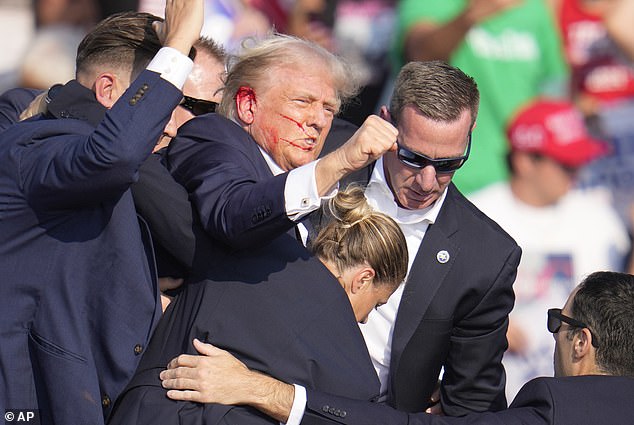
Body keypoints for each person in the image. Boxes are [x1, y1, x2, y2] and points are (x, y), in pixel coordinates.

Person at [166, 60, 522, 416]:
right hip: (230, 387)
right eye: (413, 158)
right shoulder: (316, 147)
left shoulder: (485, 256)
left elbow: (472, 404)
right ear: (385, 122)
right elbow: (228, 195)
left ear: (471, 133)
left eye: (448, 164)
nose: (428, 181)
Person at [0, 2, 203, 424]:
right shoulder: (37, 143)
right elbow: (111, 155)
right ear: (110, 91)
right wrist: (178, 44)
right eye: (166, 105)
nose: (170, 124)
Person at [161, 270, 634, 425]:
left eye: (559, 321)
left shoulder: (557, 408)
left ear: (582, 342)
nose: (552, 333)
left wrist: (263, 390)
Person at [107, 185, 408, 425]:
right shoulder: (356, 379)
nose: (367, 318)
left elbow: (153, 191)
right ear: (363, 278)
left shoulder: (252, 244)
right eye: (377, 303)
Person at [165, 32, 398, 254]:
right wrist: (341, 161)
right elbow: (234, 215)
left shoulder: (318, 187)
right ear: (248, 105)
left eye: (329, 109)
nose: (319, 120)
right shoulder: (212, 137)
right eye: (302, 101)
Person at [469, 97, 630, 399]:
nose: (577, 174)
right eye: (567, 164)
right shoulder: (477, 213)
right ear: (525, 161)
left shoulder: (600, 217)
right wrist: (486, 325)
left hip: (577, 398)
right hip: (490, 394)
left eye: (579, 163)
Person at [393, 0, 569, 194]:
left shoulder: (535, 7)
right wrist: (471, 16)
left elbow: (553, 88)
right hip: (446, 173)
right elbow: (420, 56)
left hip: (517, 181)